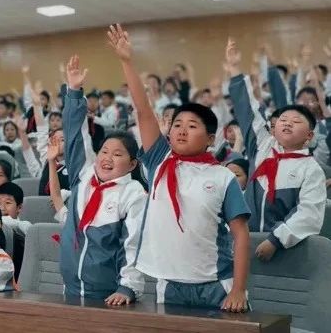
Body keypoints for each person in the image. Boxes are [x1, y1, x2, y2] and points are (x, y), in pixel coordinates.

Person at [108, 24, 249, 312]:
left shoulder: (223, 176)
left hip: (216, 284)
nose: (182, 130)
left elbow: (241, 235)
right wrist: (126, 61)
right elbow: (144, 111)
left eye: (192, 126)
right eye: (177, 125)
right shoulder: (159, 160)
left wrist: (238, 289)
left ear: (210, 139)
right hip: (169, 284)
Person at [226, 38, 326, 261]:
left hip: (285, 251)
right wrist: (235, 70)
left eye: (296, 122)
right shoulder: (263, 146)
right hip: (245, 241)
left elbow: (309, 214)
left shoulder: (311, 170)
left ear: (309, 136)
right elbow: (247, 110)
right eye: (283, 120)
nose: (287, 123)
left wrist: (276, 239)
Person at [59, 54, 147, 303]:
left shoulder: (134, 193)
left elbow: (134, 244)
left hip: (109, 295)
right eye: (104, 152)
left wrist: (127, 288)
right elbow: (74, 135)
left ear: (132, 164)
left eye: (117, 154)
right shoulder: (84, 176)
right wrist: (74, 93)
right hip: (70, 288)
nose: (107, 158)